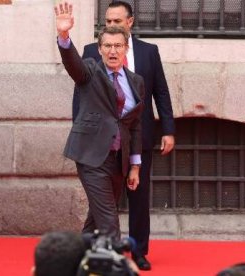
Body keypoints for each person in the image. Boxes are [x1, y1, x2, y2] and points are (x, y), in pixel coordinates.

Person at [73, 1, 175, 270]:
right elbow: (79, 93)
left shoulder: (147, 54)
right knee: (107, 215)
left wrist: (168, 130)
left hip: (133, 142)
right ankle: (109, 262)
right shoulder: (91, 54)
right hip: (97, 146)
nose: (112, 27)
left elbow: (160, 93)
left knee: (136, 199)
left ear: (129, 23)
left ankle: (137, 251)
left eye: (117, 22)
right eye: (107, 22)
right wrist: (81, 133)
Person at [54, 2, 145, 240]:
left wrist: (135, 166)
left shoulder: (136, 82)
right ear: (100, 49)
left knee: (96, 220)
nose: (112, 51)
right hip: (92, 158)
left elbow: (135, 126)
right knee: (108, 223)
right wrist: (64, 35)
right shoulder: (90, 72)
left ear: (126, 48)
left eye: (117, 46)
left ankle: (76, 261)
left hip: (119, 161)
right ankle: (113, 264)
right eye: (107, 46)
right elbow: (73, 64)